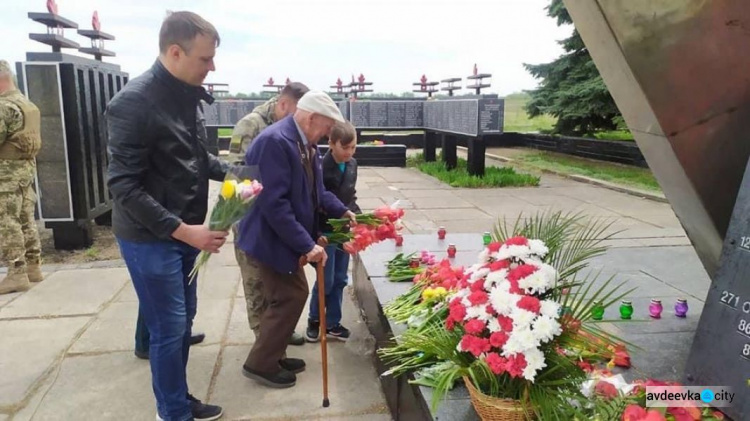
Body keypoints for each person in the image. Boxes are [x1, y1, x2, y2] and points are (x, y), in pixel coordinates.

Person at [106, 11, 227, 421]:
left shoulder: (187, 95)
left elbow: (194, 157)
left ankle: (179, 398)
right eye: (205, 59)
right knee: (169, 326)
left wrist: (242, 175)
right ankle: (172, 412)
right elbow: (123, 186)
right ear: (175, 52)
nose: (212, 68)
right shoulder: (133, 103)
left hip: (186, 231)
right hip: (150, 236)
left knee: (183, 320)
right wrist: (184, 231)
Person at [236, 91, 355, 388]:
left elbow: (317, 192)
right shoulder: (275, 142)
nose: (328, 133)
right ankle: (261, 363)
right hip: (269, 236)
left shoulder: (306, 144)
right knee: (291, 295)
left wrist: (343, 210)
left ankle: (272, 355)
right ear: (311, 117)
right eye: (326, 127)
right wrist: (307, 244)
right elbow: (274, 204)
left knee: (288, 295)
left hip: (283, 236)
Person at [230, 82, 309, 347]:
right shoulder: (250, 126)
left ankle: (278, 333)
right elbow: (237, 176)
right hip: (251, 218)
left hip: (276, 220)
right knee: (257, 284)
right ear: (284, 104)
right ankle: (263, 343)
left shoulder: (291, 129)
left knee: (280, 282)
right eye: (296, 112)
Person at [305, 121, 360, 342]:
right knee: (324, 281)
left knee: (339, 279)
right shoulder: (319, 166)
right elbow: (316, 201)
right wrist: (317, 233)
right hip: (325, 232)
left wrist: (359, 217)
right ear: (331, 143)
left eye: (353, 148)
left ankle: (333, 323)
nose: (349, 153)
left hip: (344, 229)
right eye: (344, 147)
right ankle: (314, 319)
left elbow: (350, 196)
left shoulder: (353, 164)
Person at [0, 59, 43, 295]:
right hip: (24, 172)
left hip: (5, 175)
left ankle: (16, 273)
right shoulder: (26, 104)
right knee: (26, 219)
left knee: (7, 222)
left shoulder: (4, 107)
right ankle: (33, 266)